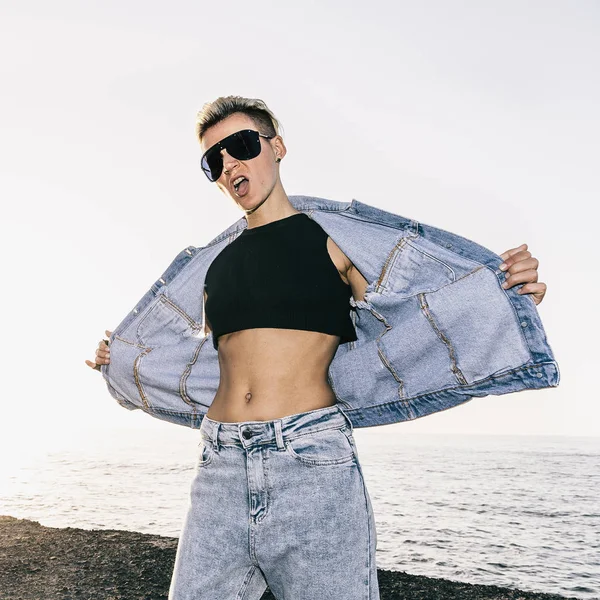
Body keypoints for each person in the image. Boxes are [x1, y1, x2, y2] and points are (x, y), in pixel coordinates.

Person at [86, 96, 547, 599]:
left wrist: (504, 290)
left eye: (240, 146)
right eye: (213, 161)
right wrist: (124, 360)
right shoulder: (212, 265)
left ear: (277, 146)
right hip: (219, 464)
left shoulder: (334, 239)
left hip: (310, 461)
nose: (229, 164)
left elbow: (418, 309)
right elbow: (197, 362)